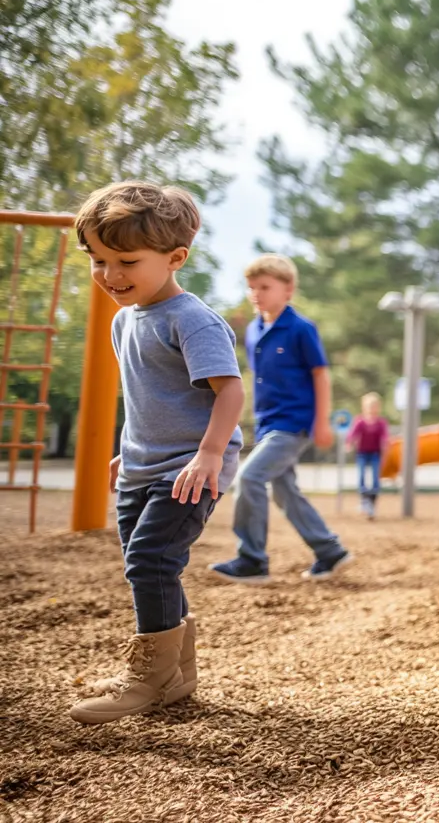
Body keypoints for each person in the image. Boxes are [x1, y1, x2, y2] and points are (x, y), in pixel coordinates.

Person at [68, 182, 244, 724]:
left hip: (192, 468)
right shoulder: (125, 321)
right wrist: (130, 450)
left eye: (126, 261)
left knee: (150, 559)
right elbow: (148, 397)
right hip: (144, 464)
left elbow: (231, 390)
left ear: (175, 258)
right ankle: (176, 676)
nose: (110, 274)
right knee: (148, 564)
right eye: (98, 260)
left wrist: (210, 455)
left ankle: (150, 676)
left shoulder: (190, 319)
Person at [210, 254, 353, 584]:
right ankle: (329, 551)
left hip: (294, 423)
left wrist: (321, 421)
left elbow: (320, 374)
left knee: (249, 478)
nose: (256, 294)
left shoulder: (301, 328)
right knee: (284, 491)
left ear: (288, 290)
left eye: (265, 287)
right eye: (251, 288)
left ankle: (252, 560)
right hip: (268, 423)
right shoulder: (254, 331)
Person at [346, 392, 389, 520]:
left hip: (375, 453)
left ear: (378, 407)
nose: (372, 409)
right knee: (362, 477)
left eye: (374, 406)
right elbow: (352, 434)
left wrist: (386, 449)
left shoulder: (381, 423)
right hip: (362, 453)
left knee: (376, 478)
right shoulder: (360, 421)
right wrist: (349, 444)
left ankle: (372, 505)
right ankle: (364, 501)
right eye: (369, 406)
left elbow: (384, 438)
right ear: (364, 407)